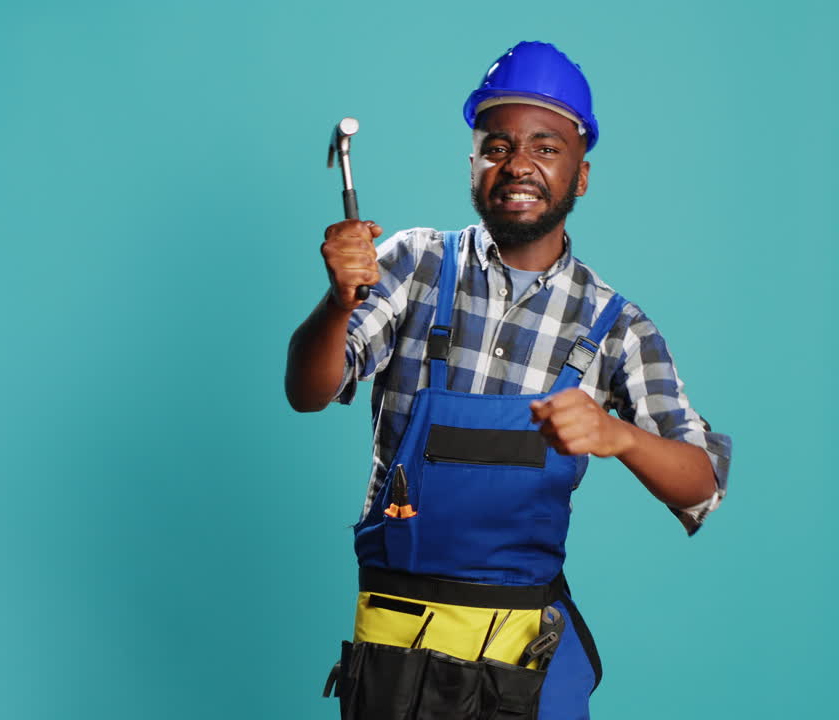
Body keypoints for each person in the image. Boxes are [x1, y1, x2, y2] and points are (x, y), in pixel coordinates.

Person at [286, 41, 732, 720]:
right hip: (396, 651)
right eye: (497, 145)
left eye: (545, 147)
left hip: (521, 655)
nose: (517, 164)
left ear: (581, 175)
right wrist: (340, 299)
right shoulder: (410, 264)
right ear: (473, 163)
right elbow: (308, 388)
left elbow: (702, 484)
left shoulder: (615, 327)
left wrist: (617, 435)